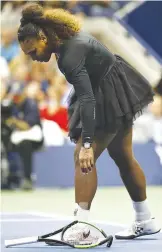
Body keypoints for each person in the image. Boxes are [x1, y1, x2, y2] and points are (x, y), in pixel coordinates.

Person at [17, 3, 160, 240]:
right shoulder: (62, 39)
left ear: (42, 36)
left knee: (83, 157)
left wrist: (86, 145)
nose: (34, 58)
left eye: (33, 51)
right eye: (28, 55)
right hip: (116, 87)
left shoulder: (69, 55)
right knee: (124, 158)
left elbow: (87, 98)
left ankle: (83, 226)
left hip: (104, 95)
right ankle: (145, 219)